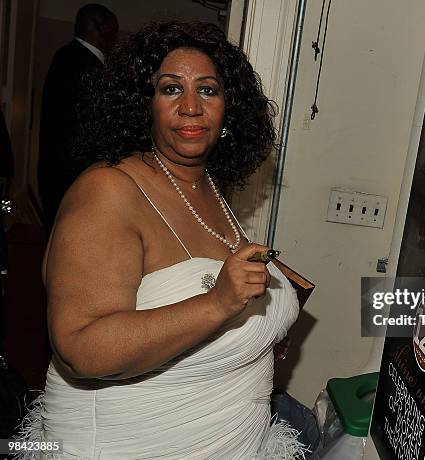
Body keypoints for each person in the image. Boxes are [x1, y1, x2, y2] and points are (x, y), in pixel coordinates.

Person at [18, 22, 306, 459]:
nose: (191, 106)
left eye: (207, 90)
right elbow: (81, 347)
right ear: (143, 105)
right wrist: (217, 304)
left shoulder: (205, 187)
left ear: (229, 108)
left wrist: (257, 335)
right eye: (171, 89)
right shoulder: (107, 191)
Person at [38, 3, 118, 234]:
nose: (114, 36)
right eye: (112, 28)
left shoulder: (66, 57)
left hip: (59, 172)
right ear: (96, 26)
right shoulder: (83, 64)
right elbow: (88, 126)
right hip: (73, 174)